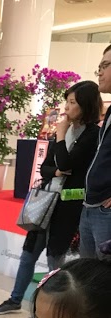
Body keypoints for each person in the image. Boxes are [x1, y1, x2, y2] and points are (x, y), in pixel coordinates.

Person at [0, 81, 102, 318]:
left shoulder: (93, 134)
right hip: (45, 200)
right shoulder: (65, 130)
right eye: (68, 102)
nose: (67, 108)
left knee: (55, 258)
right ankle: (15, 299)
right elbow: (46, 168)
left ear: (85, 105)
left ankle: (48, 309)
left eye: (73, 103)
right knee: (29, 253)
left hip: (68, 205)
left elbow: (66, 163)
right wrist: (58, 170)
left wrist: (60, 139)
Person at [79, 44, 111, 259]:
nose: (99, 71)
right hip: (90, 204)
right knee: (88, 281)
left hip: (105, 210)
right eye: (98, 66)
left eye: (106, 65)